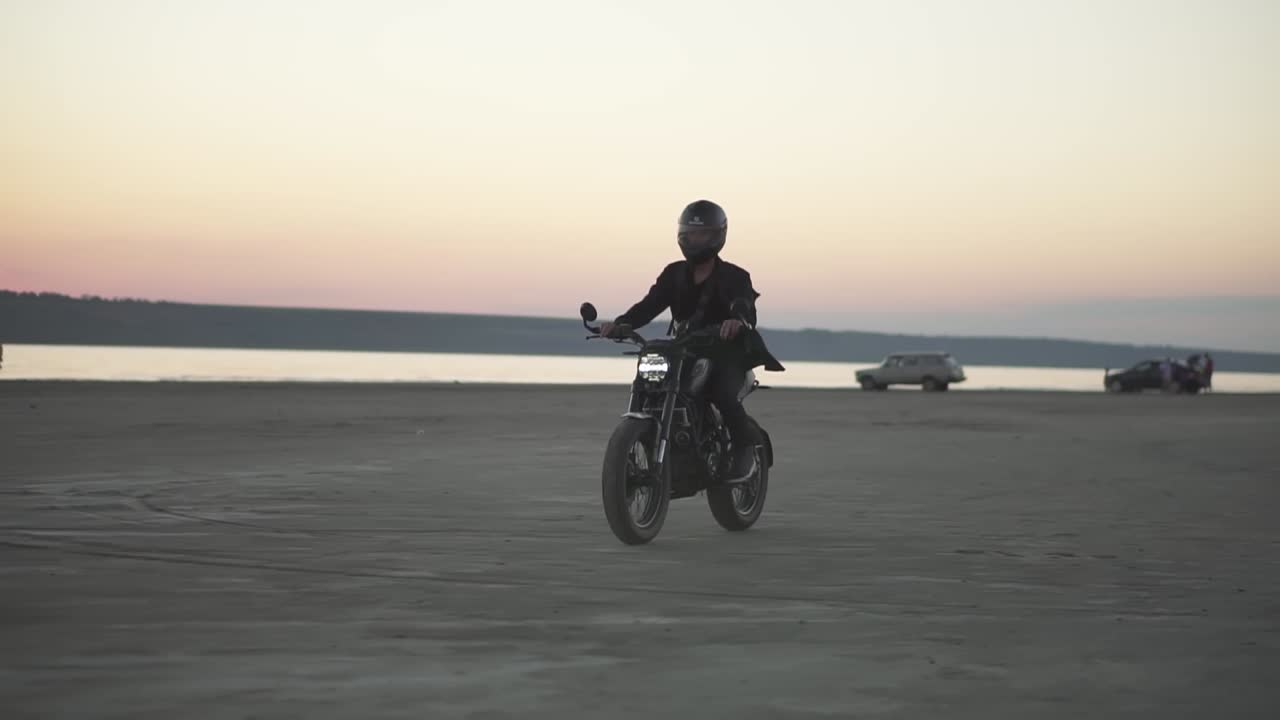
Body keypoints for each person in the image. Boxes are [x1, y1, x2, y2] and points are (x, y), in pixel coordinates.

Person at [598, 199, 782, 479]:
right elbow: (649, 305)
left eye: (703, 234)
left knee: (722, 393)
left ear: (717, 236)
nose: (695, 240)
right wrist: (621, 324)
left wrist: (737, 320)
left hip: (726, 353)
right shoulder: (674, 274)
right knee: (651, 385)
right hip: (685, 348)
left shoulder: (734, 276)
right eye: (691, 234)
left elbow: (744, 304)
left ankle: (744, 448)